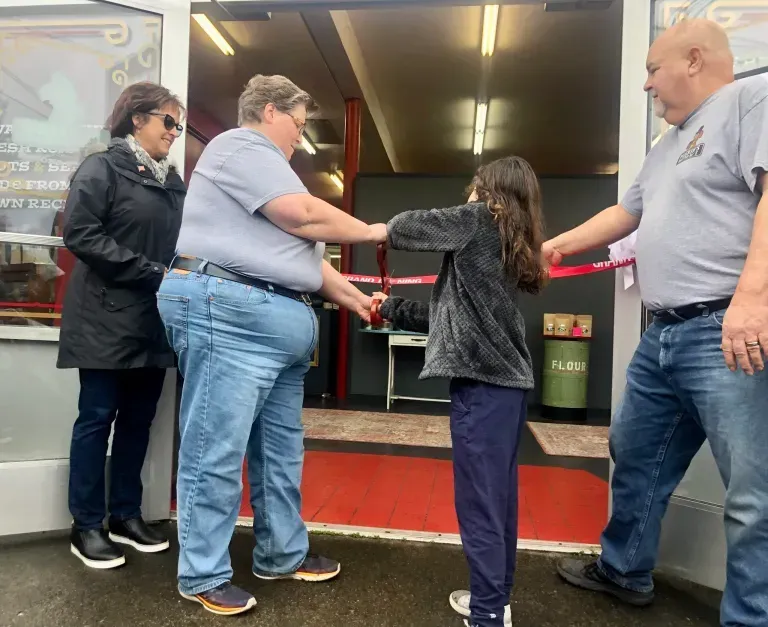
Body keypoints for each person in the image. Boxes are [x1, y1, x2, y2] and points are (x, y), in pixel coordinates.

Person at [544, 19, 768, 627]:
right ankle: (624, 570)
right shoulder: (668, 145)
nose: (645, 85)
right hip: (664, 332)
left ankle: (750, 617)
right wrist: (554, 247)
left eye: (651, 68)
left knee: (752, 493)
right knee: (634, 451)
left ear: (693, 59)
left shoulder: (752, 99)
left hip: (727, 327)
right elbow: (625, 211)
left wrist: (754, 298)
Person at [156, 74, 387, 616]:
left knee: (281, 452)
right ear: (267, 111)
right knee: (217, 449)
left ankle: (282, 553)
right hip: (230, 314)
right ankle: (203, 573)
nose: (299, 139)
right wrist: (377, 230)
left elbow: (301, 262)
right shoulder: (240, 146)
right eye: (298, 125)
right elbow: (302, 218)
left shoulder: (270, 173)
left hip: (270, 326)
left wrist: (355, 299)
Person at [371, 156, 546, 627]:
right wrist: (389, 308)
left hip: (483, 390)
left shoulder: (479, 219)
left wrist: (381, 230)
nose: (469, 192)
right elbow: (450, 318)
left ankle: (488, 614)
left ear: (489, 190)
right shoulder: (506, 243)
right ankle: (495, 599)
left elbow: (405, 227)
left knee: (480, 504)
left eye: (474, 185)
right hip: (505, 391)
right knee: (497, 500)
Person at [58, 82, 187, 569]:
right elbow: (81, 234)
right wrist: (153, 273)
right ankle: (86, 524)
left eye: (178, 125)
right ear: (137, 120)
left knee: (138, 422)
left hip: (154, 321)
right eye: (168, 122)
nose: (174, 132)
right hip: (104, 318)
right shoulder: (101, 167)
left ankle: (125, 515)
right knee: (96, 421)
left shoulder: (172, 183)